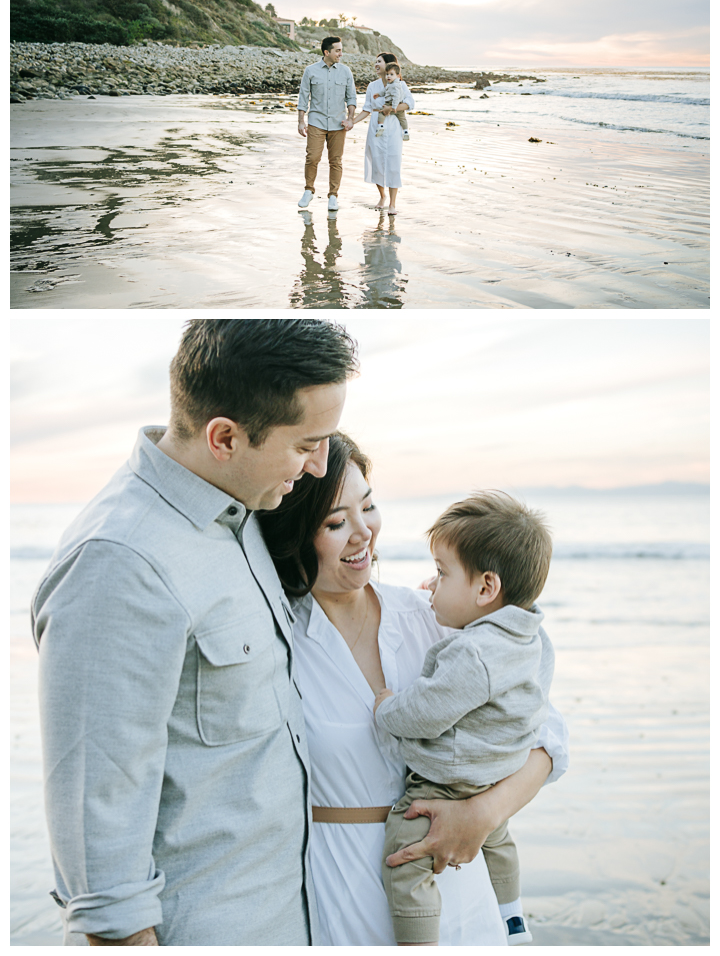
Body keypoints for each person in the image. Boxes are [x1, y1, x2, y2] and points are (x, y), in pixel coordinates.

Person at [30, 319, 358, 946]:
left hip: (288, 920)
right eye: (306, 444)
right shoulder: (120, 563)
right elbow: (97, 836)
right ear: (225, 437)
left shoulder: (239, 513)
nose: (319, 467)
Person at [259, 434, 569, 946]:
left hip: (460, 882)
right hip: (344, 890)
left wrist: (484, 813)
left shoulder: (437, 615)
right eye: (336, 522)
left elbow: (547, 732)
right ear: (296, 533)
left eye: (369, 506)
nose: (364, 533)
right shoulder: (277, 643)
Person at [374, 492, 555, 946]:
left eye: (441, 572)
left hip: (449, 778)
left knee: (405, 852)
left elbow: (428, 711)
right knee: (497, 839)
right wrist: (445, 601)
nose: (432, 584)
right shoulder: (531, 638)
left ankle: (418, 943)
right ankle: (513, 920)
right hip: (498, 772)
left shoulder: (472, 653)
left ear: (485, 589)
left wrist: (385, 708)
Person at [297, 37, 356, 214]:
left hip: (339, 123)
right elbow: (303, 97)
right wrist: (301, 121)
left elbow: (351, 97)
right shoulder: (311, 71)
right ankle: (308, 190)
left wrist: (351, 118)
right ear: (326, 52)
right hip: (316, 121)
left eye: (341, 50)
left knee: (335, 161)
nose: (341, 53)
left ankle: (333, 196)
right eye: (337, 50)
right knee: (312, 157)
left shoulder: (346, 72)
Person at [352, 52, 414, 215]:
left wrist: (392, 108)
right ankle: (382, 196)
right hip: (376, 127)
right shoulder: (372, 86)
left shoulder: (400, 84)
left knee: (394, 163)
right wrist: (350, 121)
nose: (376, 64)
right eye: (376, 61)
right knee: (377, 162)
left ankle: (393, 203)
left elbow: (410, 103)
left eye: (379, 61)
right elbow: (366, 109)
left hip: (393, 127)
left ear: (389, 65)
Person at [375, 63, 410, 140]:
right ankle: (406, 131)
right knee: (402, 119)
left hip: (392, 104)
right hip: (397, 105)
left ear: (397, 76)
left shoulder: (395, 85)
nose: (388, 76)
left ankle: (380, 126)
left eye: (391, 74)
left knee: (381, 113)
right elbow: (385, 91)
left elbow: (396, 97)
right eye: (387, 74)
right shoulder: (391, 84)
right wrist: (379, 94)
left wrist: (394, 107)